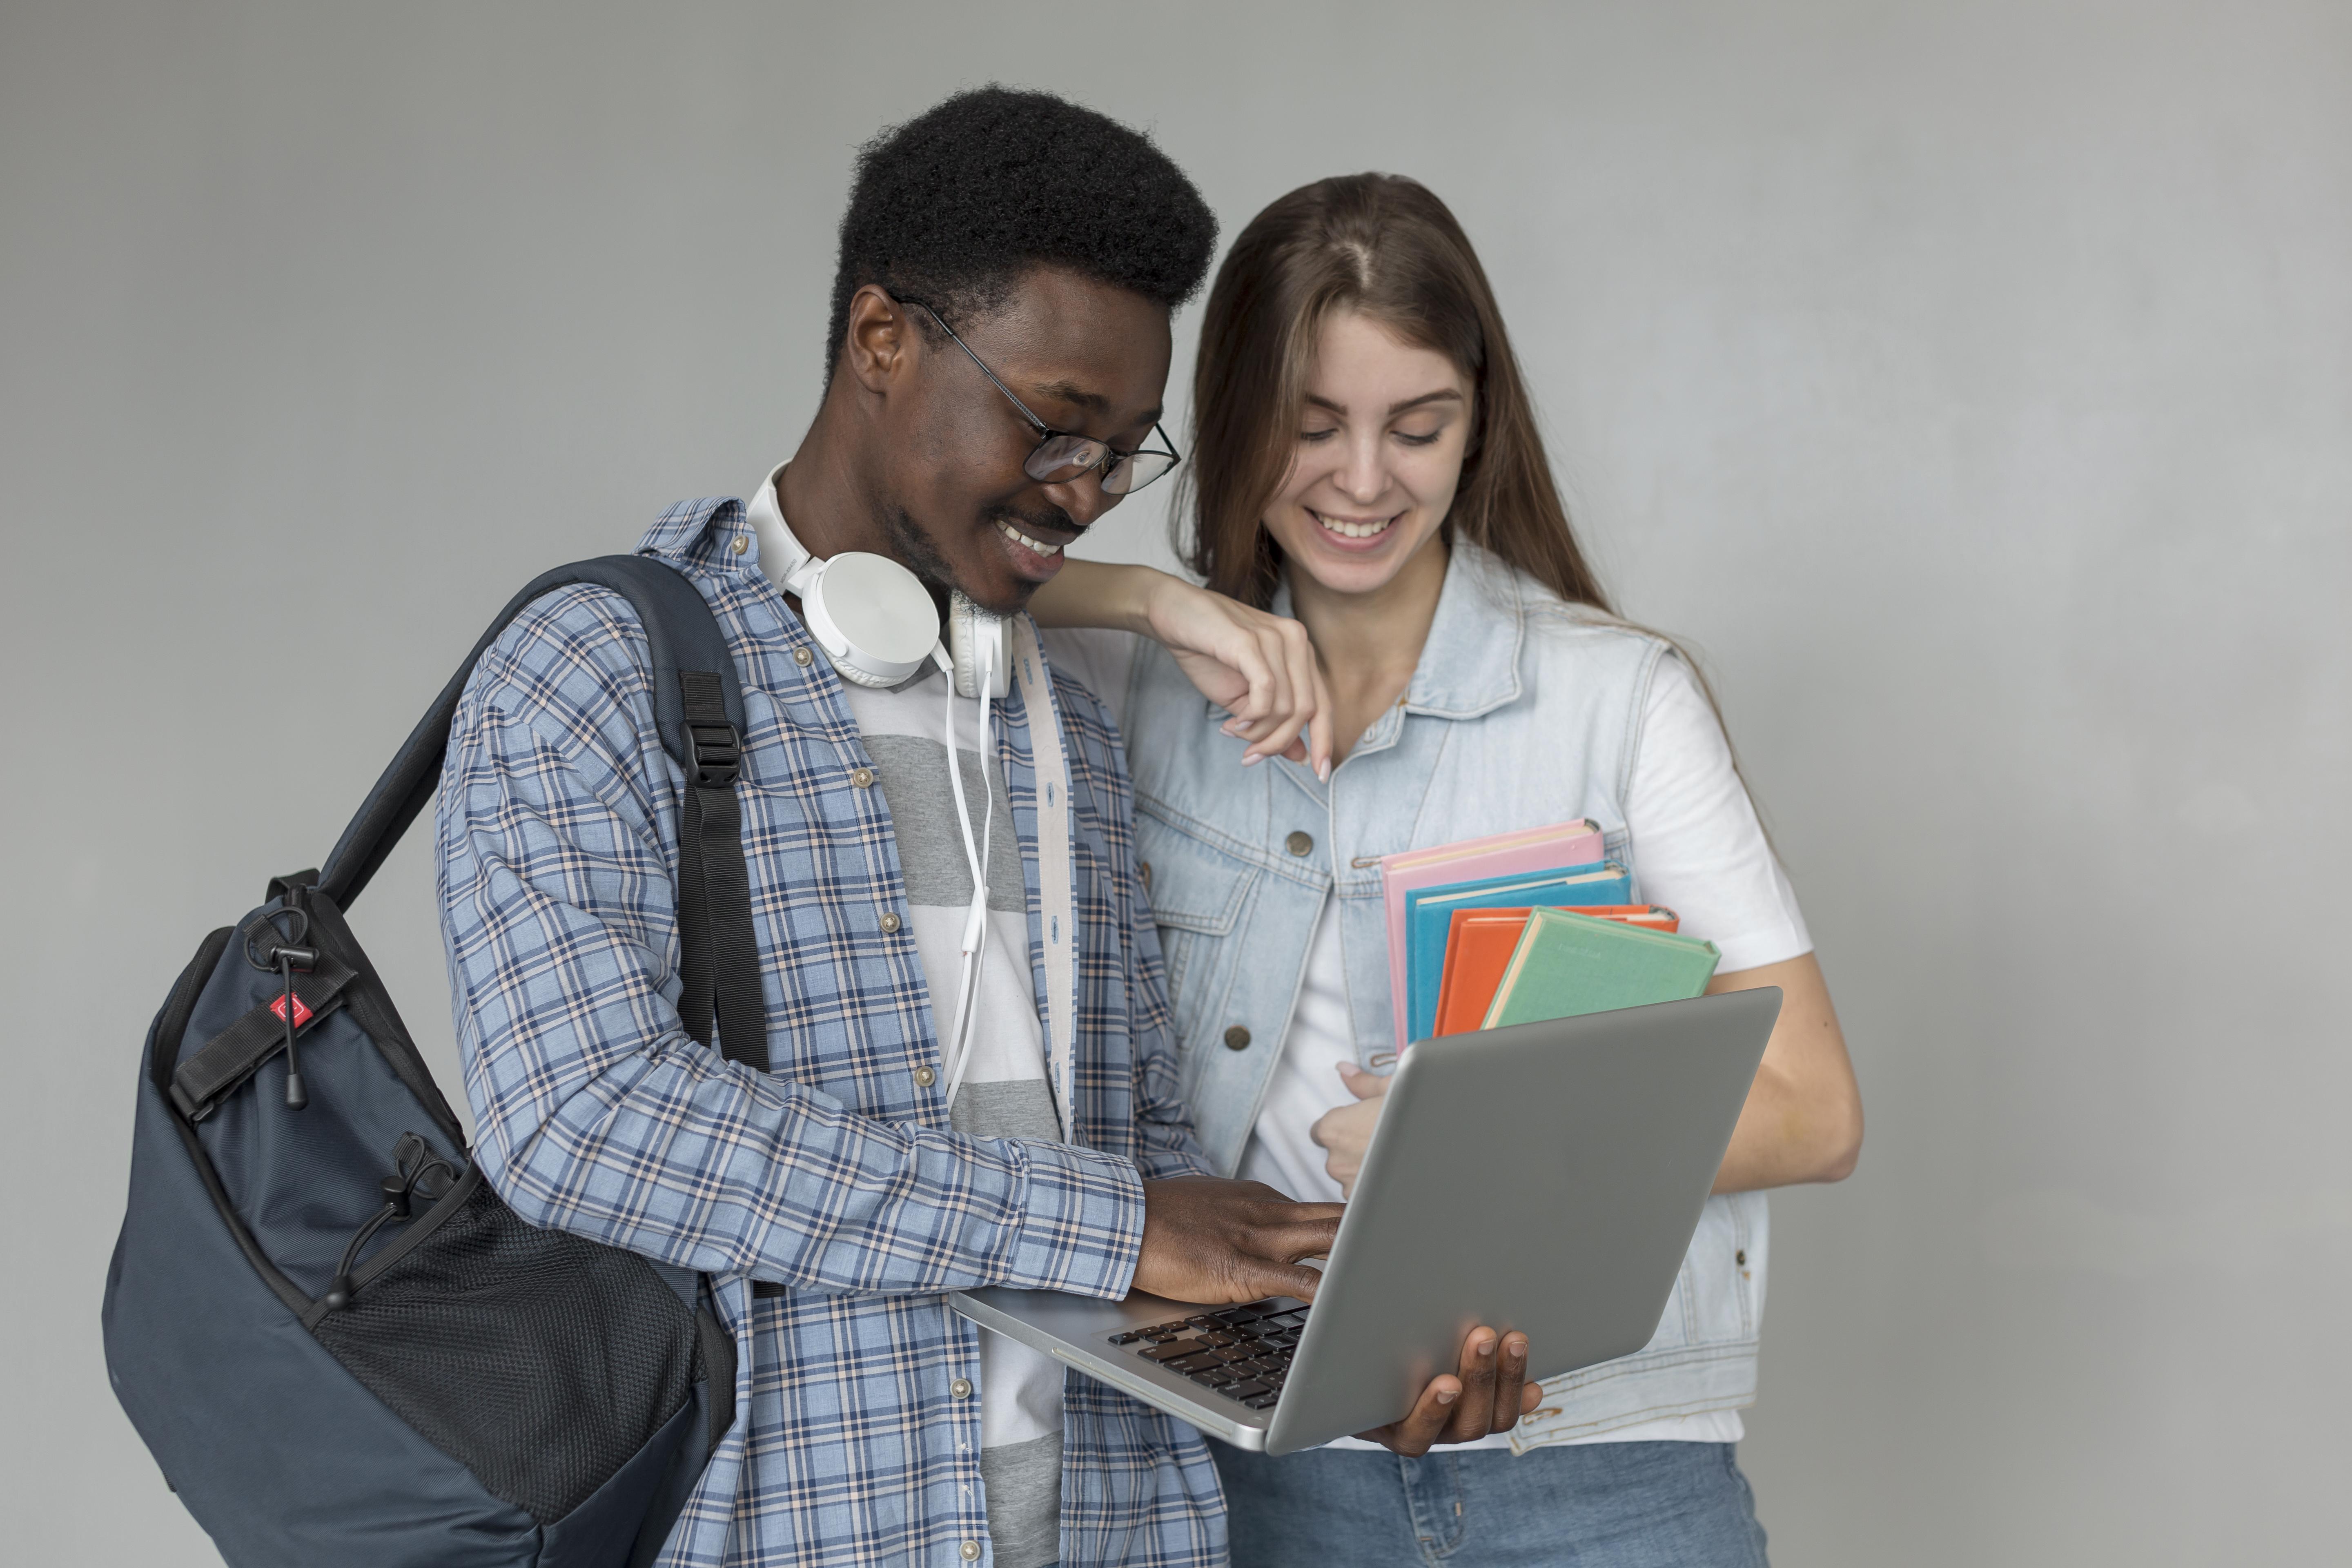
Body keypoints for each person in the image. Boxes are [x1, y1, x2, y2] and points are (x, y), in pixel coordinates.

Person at [437, 94, 1522, 1568]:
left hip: (1122, 1534)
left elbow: (1143, 1157)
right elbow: (582, 1125)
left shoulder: (1057, 712)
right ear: (882, 342)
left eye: (1124, 452)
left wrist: (1339, 1360)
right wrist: (1106, 1226)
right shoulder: (590, 669)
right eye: (1056, 427)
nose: (1084, 496)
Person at [1031, 174, 1865, 1566]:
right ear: (1234, 421)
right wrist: (1151, 593)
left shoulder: (1620, 698)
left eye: (1418, 429)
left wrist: (1469, 1152)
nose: (1365, 483)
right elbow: (879, 566)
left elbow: (1816, 1111)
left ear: (1478, 426)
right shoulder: (1124, 682)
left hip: (1602, 1471)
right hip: (1248, 1471)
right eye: (1312, 429)